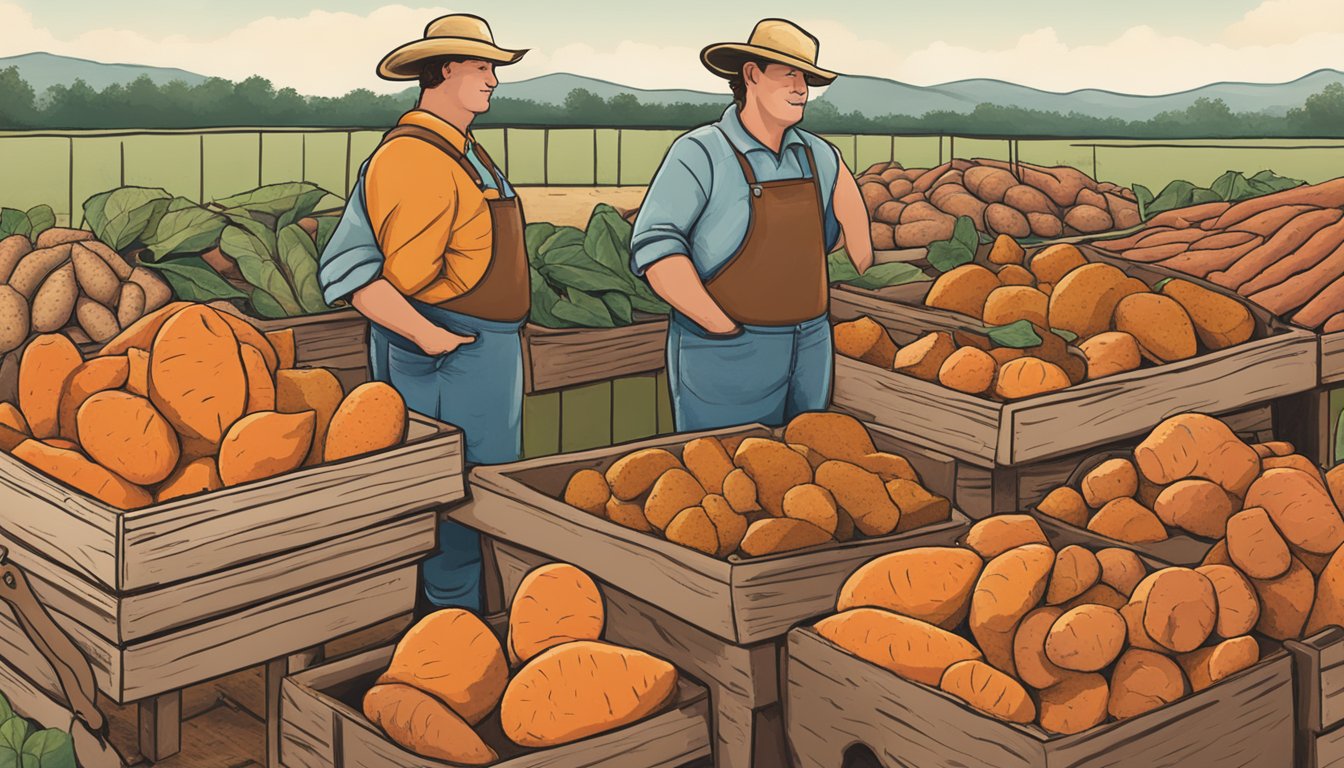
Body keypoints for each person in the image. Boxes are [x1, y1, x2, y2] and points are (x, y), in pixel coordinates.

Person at [317, 14, 529, 614]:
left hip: (485, 350)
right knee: (444, 504)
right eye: (481, 66)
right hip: (444, 356)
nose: (493, 79)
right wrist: (428, 336)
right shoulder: (412, 157)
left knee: (482, 498)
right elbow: (362, 271)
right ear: (442, 71)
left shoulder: (465, 150)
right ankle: (446, 633)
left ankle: (465, 630)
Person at [630, 18, 874, 432]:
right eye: (790, 75)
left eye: (807, 79)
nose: (801, 89)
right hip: (727, 353)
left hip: (810, 348)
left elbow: (860, 245)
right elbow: (657, 247)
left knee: (805, 471)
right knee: (722, 476)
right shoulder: (700, 152)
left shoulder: (820, 156)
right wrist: (719, 325)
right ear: (751, 75)